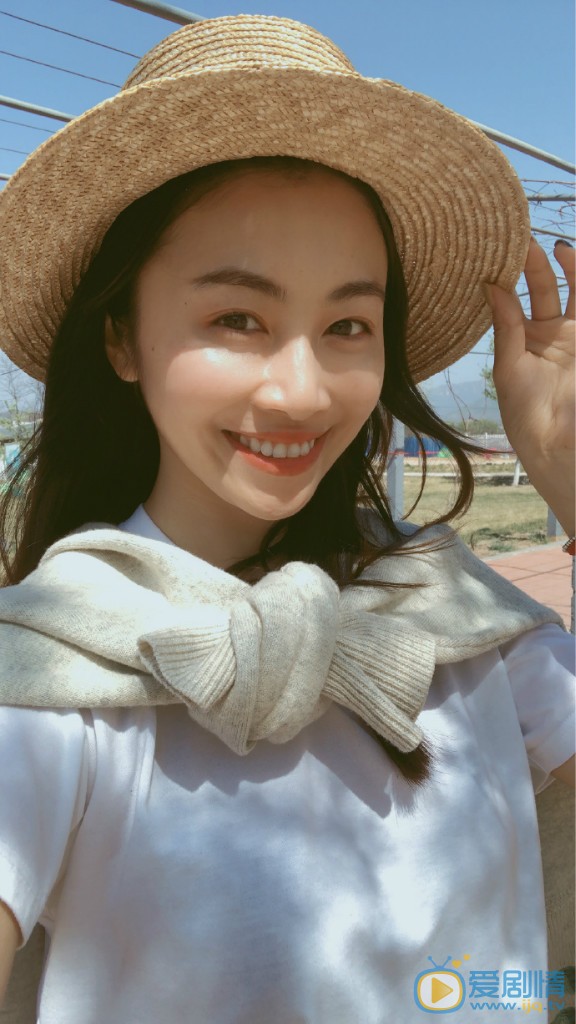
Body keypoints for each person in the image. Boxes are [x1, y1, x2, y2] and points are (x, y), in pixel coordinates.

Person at [0, 14, 574, 1024]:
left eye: (348, 324)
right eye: (238, 318)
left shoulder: (458, 611)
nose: (302, 392)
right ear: (121, 336)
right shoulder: (49, 670)